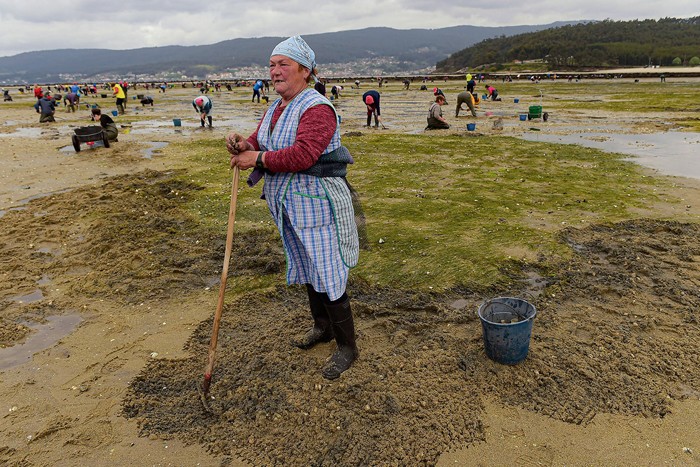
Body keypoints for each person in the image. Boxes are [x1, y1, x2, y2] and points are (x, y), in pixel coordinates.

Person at [225, 35, 359, 380]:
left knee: (328, 271)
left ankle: (347, 347)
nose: (274, 71)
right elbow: (261, 139)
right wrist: (245, 143)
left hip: (319, 203)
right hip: (290, 204)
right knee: (307, 265)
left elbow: (302, 155)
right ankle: (323, 328)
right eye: (271, 64)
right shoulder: (276, 106)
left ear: (305, 70)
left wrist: (255, 157)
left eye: (283, 64)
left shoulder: (317, 108)